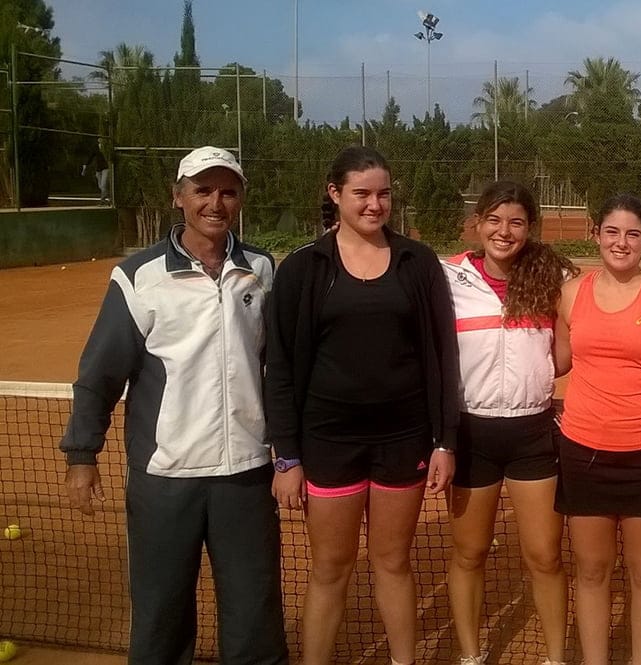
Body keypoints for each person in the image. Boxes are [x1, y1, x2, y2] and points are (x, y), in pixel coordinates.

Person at [60, 146, 288, 665]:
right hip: (165, 477)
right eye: (202, 190)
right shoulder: (138, 276)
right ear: (178, 197)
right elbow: (100, 373)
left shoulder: (260, 269)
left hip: (245, 474)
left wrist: (288, 450)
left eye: (228, 191)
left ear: (240, 199)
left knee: (254, 614)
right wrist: (81, 454)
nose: (216, 203)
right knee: (161, 614)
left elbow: (277, 367)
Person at [264, 145, 459, 665]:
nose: (375, 204)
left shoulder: (418, 262)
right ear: (335, 194)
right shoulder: (303, 268)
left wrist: (444, 441)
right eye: (362, 194)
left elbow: (444, 355)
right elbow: (280, 366)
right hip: (328, 442)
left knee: (393, 562)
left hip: (403, 440)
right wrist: (287, 456)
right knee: (331, 568)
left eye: (384, 194)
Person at [554, 194, 641, 665]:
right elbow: (555, 360)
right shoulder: (570, 295)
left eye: (633, 233)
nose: (621, 242)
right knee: (591, 572)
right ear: (595, 234)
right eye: (612, 231)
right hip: (583, 454)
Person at [442, 181, 577, 665]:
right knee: (470, 553)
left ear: (530, 227)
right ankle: (470, 656)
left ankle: (556, 659)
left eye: (516, 221)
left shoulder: (555, 277)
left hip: (533, 434)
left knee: (545, 556)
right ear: (477, 223)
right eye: (495, 220)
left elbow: (566, 355)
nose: (505, 231)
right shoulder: (447, 278)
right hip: (470, 434)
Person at [82, 139, 110, 203]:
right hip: (98, 169)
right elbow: (91, 156)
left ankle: (103, 200)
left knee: (103, 184)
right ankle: (108, 195)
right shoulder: (96, 147)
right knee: (100, 186)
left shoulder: (107, 148)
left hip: (106, 168)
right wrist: (86, 164)